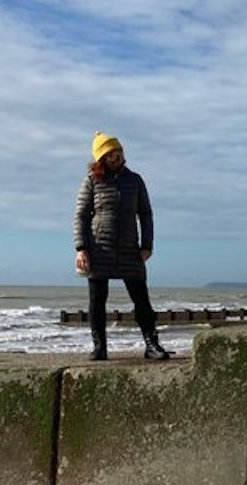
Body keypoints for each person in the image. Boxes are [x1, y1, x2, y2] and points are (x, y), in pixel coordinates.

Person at [73, 131, 170, 361]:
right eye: (109, 154)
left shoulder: (135, 180)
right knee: (97, 300)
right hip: (99, 248)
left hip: (130, 248)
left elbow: (145, 214)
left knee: (141, 299)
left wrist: (147, 245)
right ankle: (99, 347)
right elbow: (81, 216)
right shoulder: (92, 181)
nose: (115, 157)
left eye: (117, 152)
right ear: (101, 158)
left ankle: (151, 344)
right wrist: (81, 248)